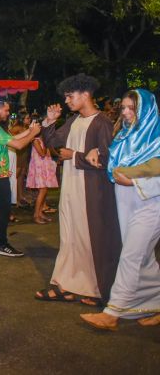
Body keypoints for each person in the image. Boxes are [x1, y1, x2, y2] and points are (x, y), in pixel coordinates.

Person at [35, 74, 121, 305]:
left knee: (93, 240)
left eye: (70, 96)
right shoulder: (74, 120)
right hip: (72, 189)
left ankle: (99, 290)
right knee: (70, 238)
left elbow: (106, 160)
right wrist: (49, 122)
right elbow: (53, 144)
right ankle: (67, 284)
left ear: (85, 95)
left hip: (92, 193)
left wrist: (75, 156)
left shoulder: (102, 122)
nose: (66, 101)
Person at [80, 89, 160, 330]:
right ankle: (156, 302)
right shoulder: (124, 135)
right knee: (142, 257)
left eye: (131, 108)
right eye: (123, 107)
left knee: (131, 255)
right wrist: (98, 152)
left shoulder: (157, 138)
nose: (125, 112)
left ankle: (112, 313)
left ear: (145, 110)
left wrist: (135, 180)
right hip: (126, 202)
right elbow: (117, 162)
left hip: (151, 204)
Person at [0, 98, 40, 257]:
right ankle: (1, 244)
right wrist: (32, 134)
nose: (8, 113)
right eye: (6, 110)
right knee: (4, 210)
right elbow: (18, 145)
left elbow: (14, 139)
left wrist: (30, 130)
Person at [26, 132, 58, 224]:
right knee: (42, 191)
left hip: (44, 167)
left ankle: (40, 213)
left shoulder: (42, 140)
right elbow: (42, 153)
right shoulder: (36, 141)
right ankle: (36, 215)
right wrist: (46, 145)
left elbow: (48, 154)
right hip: (39, 167)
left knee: (45, 190)